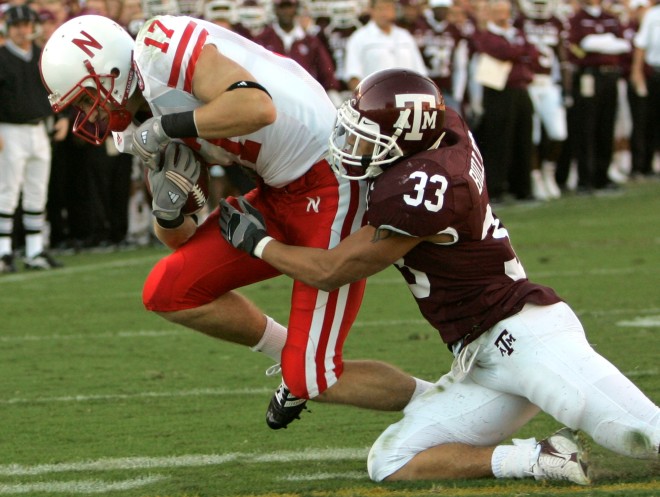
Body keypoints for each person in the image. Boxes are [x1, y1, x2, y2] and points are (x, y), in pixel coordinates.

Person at [219, 68, 660, 484]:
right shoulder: (439, 128)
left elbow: (332, 270)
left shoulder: (424, 186)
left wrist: (260, 244)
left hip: (526, 338)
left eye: (366, 140)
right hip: (481, 360)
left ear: (405, 144)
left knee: (641, 437)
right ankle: (542, 458)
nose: (352, 148)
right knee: (390, 461)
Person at [39, 14, 432, 429]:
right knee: (168, 291)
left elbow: (257, 107)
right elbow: (179, 239)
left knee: (314, 380)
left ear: (110, 73)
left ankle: (442, 399)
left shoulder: (159, 48)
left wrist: (164, 128)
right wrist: (167, 211)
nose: (89, 114)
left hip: (329, 181)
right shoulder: (133, 129)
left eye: (85, 99)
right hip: (274, 191)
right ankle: (290, 353)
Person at [0, 5, 63, 273]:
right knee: (7, 191)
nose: (22, 30)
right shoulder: (2, 57)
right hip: (9, 129)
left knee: (37, 190)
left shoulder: (42, 55)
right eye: (17, 25)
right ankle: (3, 251)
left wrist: (64, 116)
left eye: (26, 24)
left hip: (39, 128)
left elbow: (58, 87)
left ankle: (35, 248)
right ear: (8, 27)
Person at [343, 0, 428, 91]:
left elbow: (421, 73)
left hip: (408, 98)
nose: (385, 13)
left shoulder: (405, 36)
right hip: (376, 100)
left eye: (388, 8)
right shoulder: (359, 38)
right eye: (380, 8)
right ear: (371, 10)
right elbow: (353, 76)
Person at [630, 0, 660, 180]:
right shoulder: (652, 14)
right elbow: (641, 45)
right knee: (648, 119)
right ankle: (643, 165)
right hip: (655, 71)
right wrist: (636, 72)